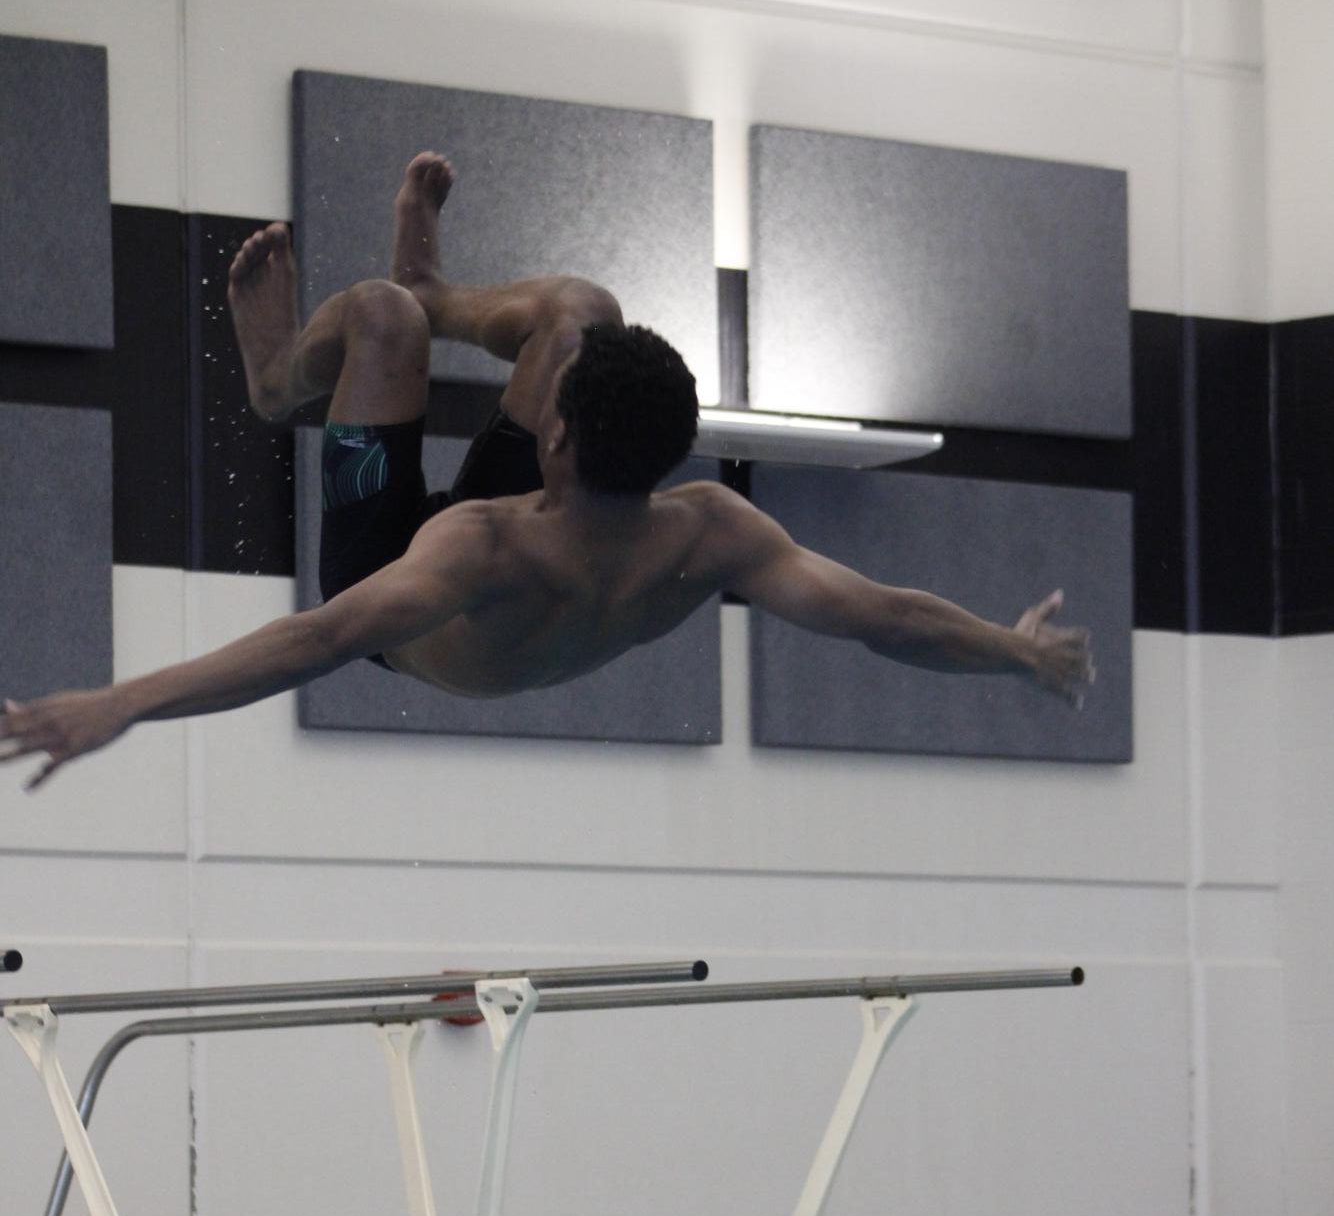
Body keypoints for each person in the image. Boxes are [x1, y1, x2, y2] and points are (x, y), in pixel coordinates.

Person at [1, 152, 1093, 789]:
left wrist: (125, 701)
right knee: (581, 315)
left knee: (375, 324)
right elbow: (884, 614)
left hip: (397, 582)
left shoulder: (468, 554)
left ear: (554, 439)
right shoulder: (707, 527)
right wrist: (1012, 653)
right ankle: (432, 285)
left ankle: (275, 378)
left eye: (545, 404)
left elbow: (321, 638)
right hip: (531, 533)